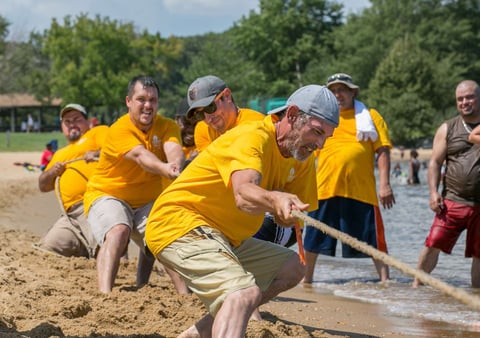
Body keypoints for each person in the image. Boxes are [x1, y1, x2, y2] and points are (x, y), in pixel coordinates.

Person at [145, 84, 339, 337]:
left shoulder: (300, 157)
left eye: (326, 136)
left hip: (224, 237)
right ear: (291, 115)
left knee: (294, 267)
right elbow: (244, 195)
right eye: (316, 132)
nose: (321, 144)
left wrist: (286, 211)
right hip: (179, 224)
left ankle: (199, 332)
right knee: (243, 292)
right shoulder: (253, 136)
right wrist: (274, 198)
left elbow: (284, 216)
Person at [83, 75, 185, 293]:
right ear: (128, 101)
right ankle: (105, 295)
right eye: (141, 99)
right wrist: (166, 169)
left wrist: (175, 165)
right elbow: (141, 156)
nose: (148, 105)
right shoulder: (119, 129)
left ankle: (184, 297)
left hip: (146, 200)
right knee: (119, 230)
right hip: (108, 195)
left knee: (164, 235)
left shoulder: (167, 126)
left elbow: (173, 149)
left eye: (153, 100)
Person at [303, 73, 395, 284]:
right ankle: (306, 281)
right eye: (333, 91)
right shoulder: (321, 120)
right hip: (325, 187)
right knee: (313, 238)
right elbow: (307, 154)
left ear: (353, 91)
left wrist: (385, 184)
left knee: (374, 241)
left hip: (360, 190)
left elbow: (383, 151)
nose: (338, 95)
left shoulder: (370, 116)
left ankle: (386, 282)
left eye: (342, 90)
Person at [413, 80, 480, 288]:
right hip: (452, 201)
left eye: (469, 97)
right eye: (460, 99)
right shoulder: (448, 128)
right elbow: (434, 162)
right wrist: (433, 192)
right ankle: (416, 288)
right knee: (433, 243)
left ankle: (475, 301)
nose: (465, 102)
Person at [36, 103, 108, 258]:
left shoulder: (97, 133)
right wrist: (52, 173)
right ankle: (83, 250)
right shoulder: (59, 154)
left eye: (76, 119)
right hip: (70, 217)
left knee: (109, 247)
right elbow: (43, 185)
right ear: (62, 127)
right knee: (48, 249)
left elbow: (119, 149)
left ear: (87, 122)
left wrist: (96, 153)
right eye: (67, 122)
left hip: (97, 204)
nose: (72, 125)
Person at [186, 75, 265, 153]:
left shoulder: (255, 124)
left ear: (227, 96)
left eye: (210, 107)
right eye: (200, 114)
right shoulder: (203, 130)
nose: (208, 119)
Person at [175, 97, 198, 168]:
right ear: (176, 120)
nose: (191, 129)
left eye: (196, 125)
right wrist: (189, 161)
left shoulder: (205, 146)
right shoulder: (166, 143)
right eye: (186, 123)